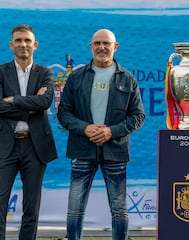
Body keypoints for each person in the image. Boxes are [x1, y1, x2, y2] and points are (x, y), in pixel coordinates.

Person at [57, 29, 145, 240]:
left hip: (115, 151)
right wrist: (85, 128)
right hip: (82, 148)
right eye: (97, 43)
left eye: (106, 43)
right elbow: (63, 113)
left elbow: (138, 116)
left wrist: (110, 131)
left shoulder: (128, 79)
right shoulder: (76, 77)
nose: (101, 47)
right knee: (75, 209)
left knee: (119, 210)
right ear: (90, 47)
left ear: (115, 47)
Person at [0, 24, 57, 240]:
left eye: (27, 40)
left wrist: (13, 101)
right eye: (18, 40)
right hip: (5, 145)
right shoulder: (0, 72)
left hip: (35, 148)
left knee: (31, 208)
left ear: (35, 45)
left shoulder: (45, 72)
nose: (23, 44)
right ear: (11, 45)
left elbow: (44, 102)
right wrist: (30, 106)